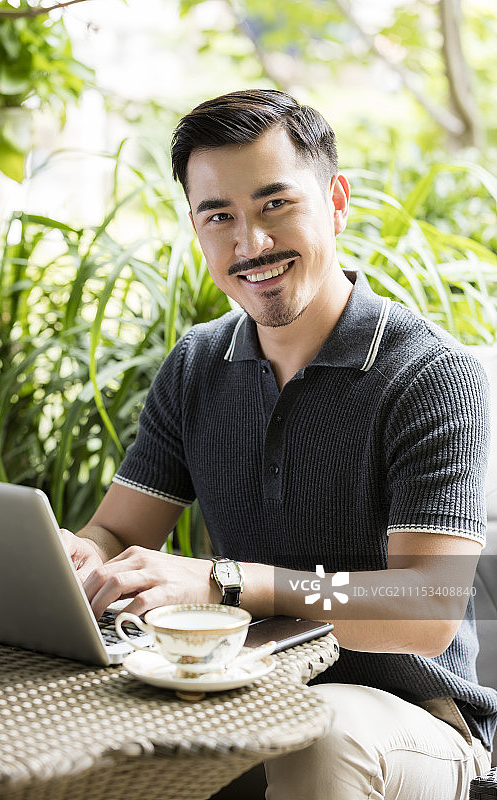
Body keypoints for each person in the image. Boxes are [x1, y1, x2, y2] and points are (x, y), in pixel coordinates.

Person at [61, 89, 496, 799]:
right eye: (218, 217)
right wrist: (83, 557)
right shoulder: (197, 363)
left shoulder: (430, 375)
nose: (249, 245)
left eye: (274, 205)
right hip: (235, 691)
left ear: (335, 200)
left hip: (409, 716)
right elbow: (115, 528)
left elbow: (427, 607)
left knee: (317, 732)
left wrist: (228, 584)